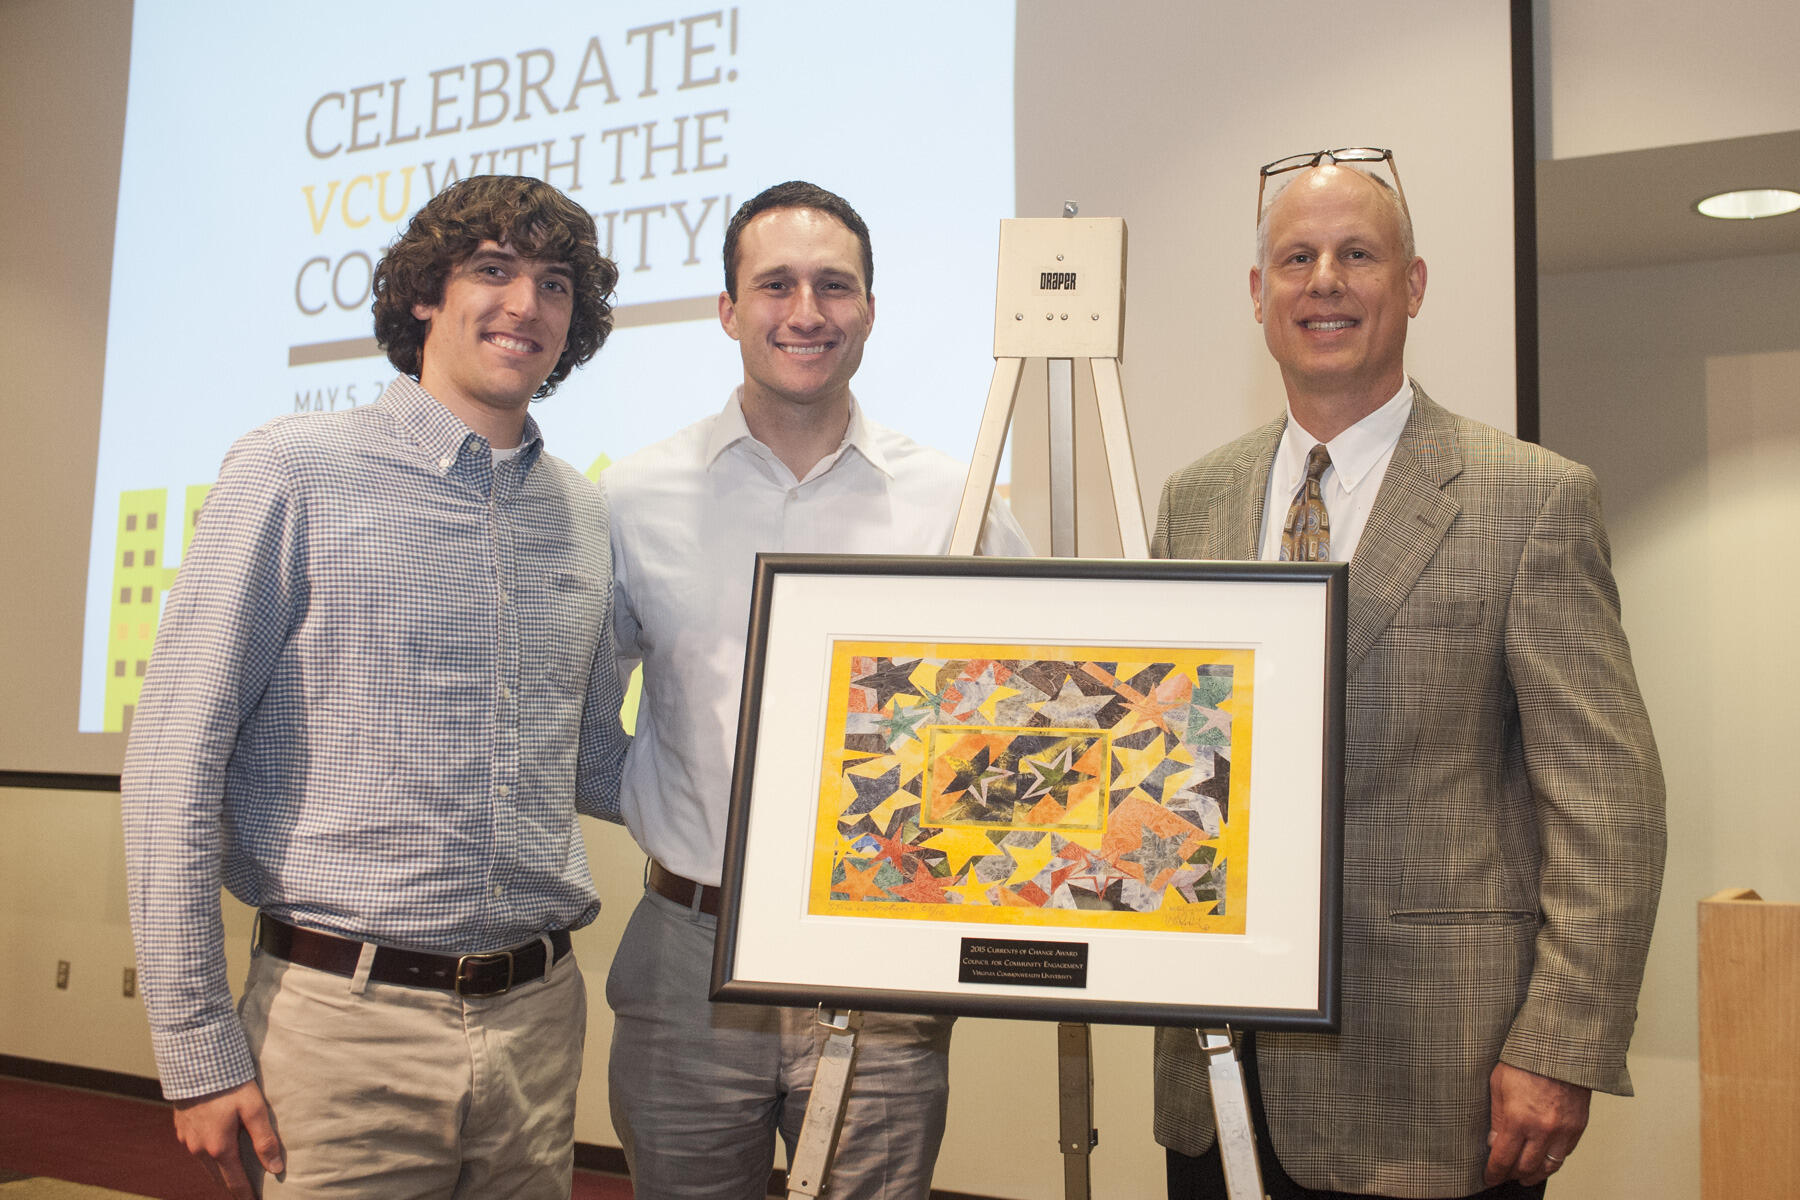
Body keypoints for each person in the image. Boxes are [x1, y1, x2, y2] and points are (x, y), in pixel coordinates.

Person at [1150, 151, 1667, 1199]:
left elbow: (1610, 809)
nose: (1324, 281)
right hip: (1217, 1072)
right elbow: (1173, 763)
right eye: (1296, 258)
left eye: (1358, 255)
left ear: (1414, 284)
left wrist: (1562, 1044)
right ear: (1259, 295)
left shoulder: (1532, 500)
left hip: (1441, 1078)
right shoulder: (1195, 499)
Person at [121, 175, 628, 1199]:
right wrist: (195, 1045)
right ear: (424, 297)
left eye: (557, 283)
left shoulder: (584, 513)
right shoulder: (291, 473)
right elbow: (174, 762)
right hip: (340, 1032)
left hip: (539, 1025)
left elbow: (596, 760)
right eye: (493, 269)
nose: (526, 304)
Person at [603, 180, 1033, 1199]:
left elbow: (1016, 733)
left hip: (879, 959)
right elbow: (577, 710)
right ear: (727, 310)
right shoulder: (634, 496)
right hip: (687, 953)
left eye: (834, 286)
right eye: (776, 285)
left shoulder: (956, 504)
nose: (806, 312)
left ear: (871, 310)